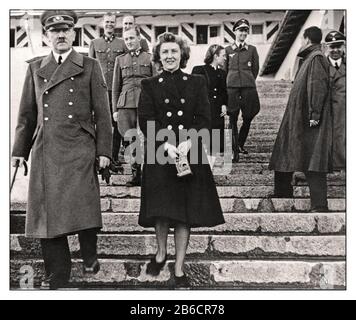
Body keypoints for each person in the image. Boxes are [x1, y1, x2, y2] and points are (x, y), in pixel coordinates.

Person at [11, 10, 113, 289]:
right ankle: (57, 273)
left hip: (80, 147)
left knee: (83, 203)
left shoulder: (90, 65)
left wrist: (104, 151)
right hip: (46, 149)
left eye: (66, 30)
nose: (61, 35)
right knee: (48, 215)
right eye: (54, 31)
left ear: (73, 34)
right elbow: (26, 115)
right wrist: (19, 151)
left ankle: (89, 253)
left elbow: (103, 114)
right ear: (46, 36)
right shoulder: (35, 68)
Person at [138, 33, 224, 288]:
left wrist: (189, 141)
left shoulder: (196, 82)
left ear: (182, 55)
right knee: (163, 210)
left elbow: (204, 118)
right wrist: (165, 144)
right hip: (160, 151)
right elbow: (146, 119)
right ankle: (162, 252)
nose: (170, 56)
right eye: (164, 52)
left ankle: (179, 270)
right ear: (158, 57)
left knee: (184, 214)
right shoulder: (149, 85)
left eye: (174, 52)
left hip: (190, 153)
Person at [269, 26, 332, 212]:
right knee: (285, 152)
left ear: (306, 39)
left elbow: (317, 86)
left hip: (307, 120)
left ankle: (319, 204)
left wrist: (314, 115)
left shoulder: (316, 58)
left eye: (301, 40)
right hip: (298, 117)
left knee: (313, 160)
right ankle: (282, 193)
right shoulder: (309, 58)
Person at [112, 26, 153, 187]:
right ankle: (136, 174)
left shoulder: (149, 58)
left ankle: (149, 173)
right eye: (126, 39)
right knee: (130, 139)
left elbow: (155, 83)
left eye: (131, 38)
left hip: (145, 103)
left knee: (148, 138)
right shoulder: (120, 60)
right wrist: (115, 110)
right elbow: (116, 86)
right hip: (126, 105)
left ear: (139, 38)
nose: (129, 41)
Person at [89, 12, 123, 168]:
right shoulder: (95, 43)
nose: (109, 24)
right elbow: (88, 68)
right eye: (107, 22)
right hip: (98, 90)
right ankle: (96, 158)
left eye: (112, 22)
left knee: (116, 125)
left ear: (115, 24)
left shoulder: (122, 44)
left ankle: (113, 158)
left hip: (115, 91)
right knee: (98, 122)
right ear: (103, 24)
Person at [225, 18, 260, 162]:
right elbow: (224, 69)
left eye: (246, 31)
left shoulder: (252, 50)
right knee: (232, 116)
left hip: (248, 87)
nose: (243, 33)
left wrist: (248, 80)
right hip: (232, 88)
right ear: (235, 32)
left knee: (249, 115)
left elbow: (255, 69)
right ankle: (234, 149)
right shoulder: (227, 50)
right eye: (241, 30)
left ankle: (240, 143)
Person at [192, 44, 228, 169]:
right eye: (223, 56)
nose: (225, 58)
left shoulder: (222, 73)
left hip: (217, 111)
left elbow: (224, 92)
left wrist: (224, 105)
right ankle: (199, 167)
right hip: (203, 110)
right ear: (215, 56)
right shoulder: (199, 70)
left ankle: (210, 169)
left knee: (215, 141)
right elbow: (193, 91)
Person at [325, 30, 346, 171]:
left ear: (344, 47)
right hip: (325, 109)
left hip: (344, 109)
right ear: (327, 48)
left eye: (339, 46)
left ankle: (342, 163)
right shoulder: (321, 65)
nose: (336, 50)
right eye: (332, 46)